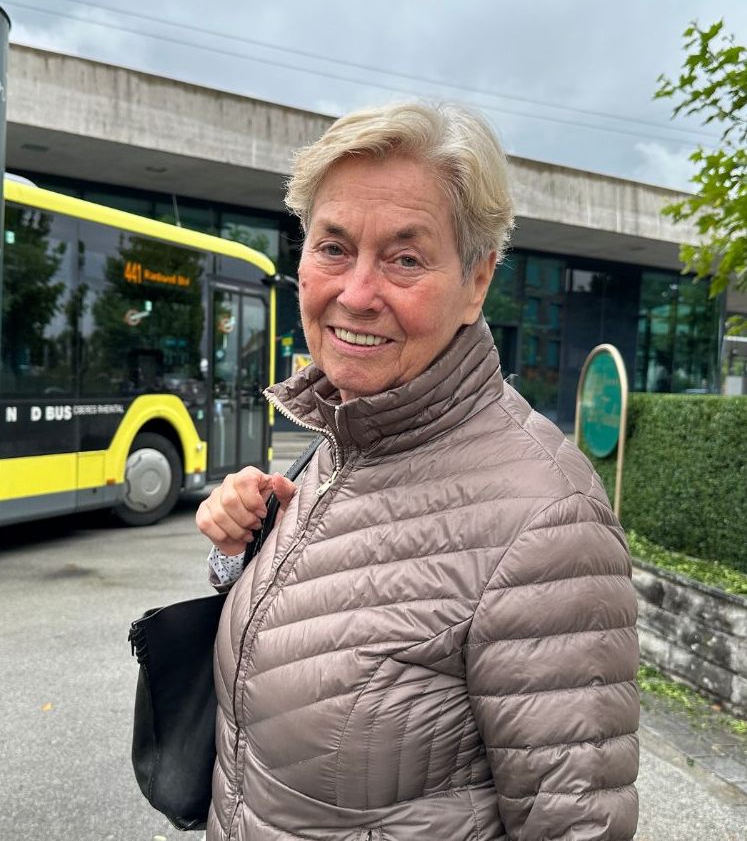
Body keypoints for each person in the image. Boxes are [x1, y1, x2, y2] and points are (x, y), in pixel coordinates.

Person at [196, 102, 639, 840]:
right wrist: (233, 555)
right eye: (333, 247)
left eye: (405, 258)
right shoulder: (347, 433)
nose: (357, 292)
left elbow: (577, 825)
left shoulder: (548, 521)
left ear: (476, 281)